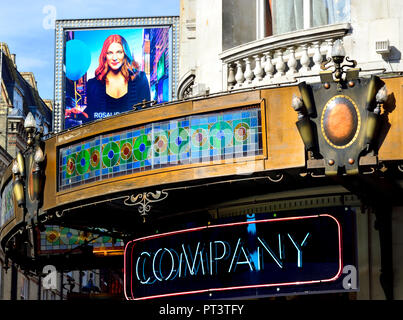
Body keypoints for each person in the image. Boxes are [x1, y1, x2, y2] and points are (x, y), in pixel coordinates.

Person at [86, 34, 150, 122]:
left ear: (125, 54)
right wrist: (79, 115)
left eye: (119, 52)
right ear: (105, 56)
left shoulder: (140, 79)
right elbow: (90, 118)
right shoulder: (93, 85)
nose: (114, 58)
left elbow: (147, 117)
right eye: (110, 53)